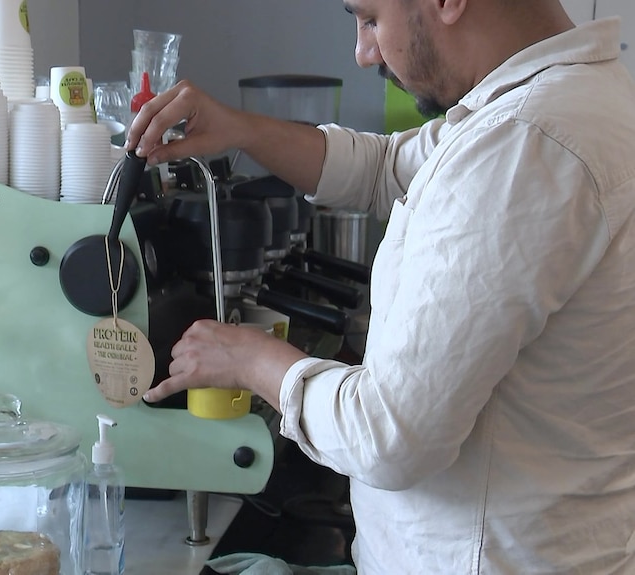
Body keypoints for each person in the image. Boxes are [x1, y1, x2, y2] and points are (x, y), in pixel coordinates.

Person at [126, 0, 635, 573]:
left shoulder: (525, 145)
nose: (364, 52)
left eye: (369, 19)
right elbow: (387, 168)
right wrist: (241, 129)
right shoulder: (574, 101)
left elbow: (390, 435)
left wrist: (251, 360)